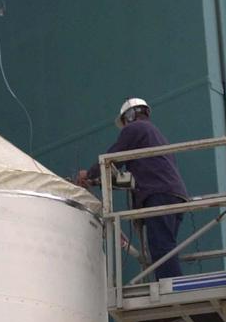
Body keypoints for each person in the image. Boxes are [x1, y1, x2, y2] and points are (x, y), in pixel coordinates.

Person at [76, 98, 188, 279]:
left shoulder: (135, 129)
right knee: (165, 244)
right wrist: (97, 181)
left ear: (129, 116)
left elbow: (113, 158)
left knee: (161, 246)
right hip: (174, 194)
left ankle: (171, 286)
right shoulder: (155, 135)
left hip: (158, 194)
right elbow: (129, 173)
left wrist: (88, 174)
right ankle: (171, 283)